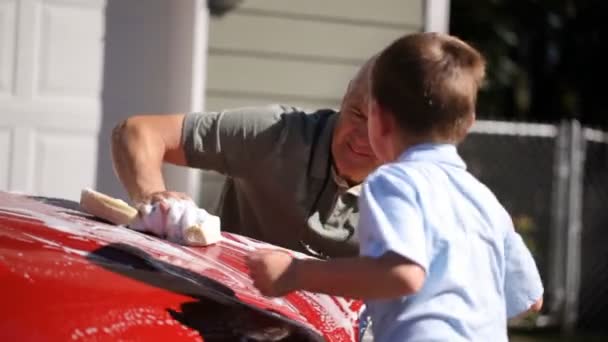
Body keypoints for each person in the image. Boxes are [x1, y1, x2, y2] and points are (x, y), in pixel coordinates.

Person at [246, 32, 544, 341]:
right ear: (468, 122)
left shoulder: (395, 182)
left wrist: (294, 273)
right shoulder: (485, 201)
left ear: (381, 119)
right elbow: (530, 300)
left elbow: (402, 274)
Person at [111, 59, 380, 258]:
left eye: (379, 128)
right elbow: (137, 131)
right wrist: (153, 195)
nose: (361, 136)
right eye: (357, 113)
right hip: (230, 309)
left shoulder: (418, 188)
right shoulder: (276, 133)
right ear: (345, 97)